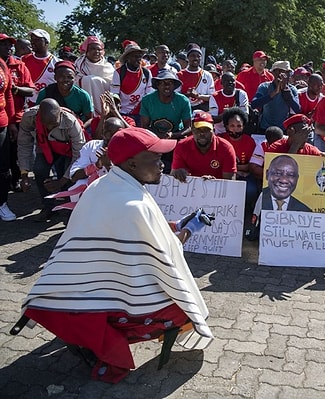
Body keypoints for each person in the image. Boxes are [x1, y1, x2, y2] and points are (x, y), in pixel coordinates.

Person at [17, 126, 213, 383]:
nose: (162, 164)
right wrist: (189, 230)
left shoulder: (104, 184)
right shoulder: (133, 204)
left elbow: (147, 233)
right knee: (185, 309)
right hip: (103, 301)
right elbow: (165, 254)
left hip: (72, 293)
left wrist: (175, 225)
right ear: (131, 163)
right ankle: (112, 337)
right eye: (154, 158)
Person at [18, 98, 87, 221]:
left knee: (71, 176)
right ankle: (48, 207)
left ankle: (71, 209)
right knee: (39, 170)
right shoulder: (29, 117)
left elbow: (79, 156)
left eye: (54, 124)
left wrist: (61, 181)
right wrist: (24, 174)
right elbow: (24, 144)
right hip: (46, 148)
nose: (50, 127)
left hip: (69, 151)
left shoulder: (70, 122)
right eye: (46, 124)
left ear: (60, 114)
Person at [0, 33, 34, 192]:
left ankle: (17, 179)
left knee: (16, 152)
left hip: (16, 116)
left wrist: (16, 89)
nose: (8, 48)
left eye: (10, 45)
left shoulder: (19, 65)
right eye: (4, 44)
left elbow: (30, 90)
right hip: (3, 116)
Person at [170, 111, 236, 181]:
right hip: (189, 189)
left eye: (206, 130)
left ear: (213, 130)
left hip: (216, 191)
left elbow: (230, 183)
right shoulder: (182, 146)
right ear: (192, 130)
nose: (202, 133)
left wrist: (214, 183)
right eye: (198, 130)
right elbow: (173, 177)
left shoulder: (226, 148)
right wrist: (178, 174)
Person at [218, 107, 258, 210]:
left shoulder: (250, 142)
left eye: (239, 126)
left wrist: (236, 169)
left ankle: (243, 210)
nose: (235, 129)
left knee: (251, 190)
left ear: (244, 126)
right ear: (226, 126)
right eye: (232, 125)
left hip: (245, 176)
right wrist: (236, 171)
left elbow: (251, 166)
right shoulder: (219, 140)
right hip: (222, 174)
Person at [251, 60, 300, 133]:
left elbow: (297, 109)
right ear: (274, 73)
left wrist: (286, 92)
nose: (286, 75)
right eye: (282, 72)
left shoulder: (292, 89)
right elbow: (254, 104)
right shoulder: (264, 87)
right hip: (265, 129)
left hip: (283, 130)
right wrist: (274, 93)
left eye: (288, 73)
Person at [110, 43, 152, 125]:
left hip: (141, 113)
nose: (139, 59)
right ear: (128, 58)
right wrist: (116, 113)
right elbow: (115, 95)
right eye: (136, 56)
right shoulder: (119, 73)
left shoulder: (146, 73)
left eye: (140, 57)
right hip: (123, 113)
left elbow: (149, 94)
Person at [74, 36, 115, 116]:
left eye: (99, 49)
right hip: (83, 105)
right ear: (87, 51)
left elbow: (113, 86)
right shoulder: (79, 65)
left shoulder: (108, 67)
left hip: (105, 104)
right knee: (87, 79)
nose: (96, 52)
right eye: (93, 49)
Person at [21, 29, 59, 106]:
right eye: (32, 39)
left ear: (46, 42)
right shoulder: (23, 60)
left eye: (37, 40)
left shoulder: (57, 62)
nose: (33, 42)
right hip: (27, 104)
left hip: (49, 105)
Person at [177, 44, 215, 111]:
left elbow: (212, 97)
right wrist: (187, 95)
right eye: (193, 56)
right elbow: (175, 96)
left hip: (202, 111)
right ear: (188, 58)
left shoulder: (207, 75)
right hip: (184, 109)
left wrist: (198, 96)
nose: (196, 58)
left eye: (198, 56)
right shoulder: (179, 75)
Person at [0, 56, 15, 221]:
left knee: (3, 168)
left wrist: (11, 122)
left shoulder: (1, 64)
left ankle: (2, 203)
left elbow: (8, 93)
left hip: (1, 123)